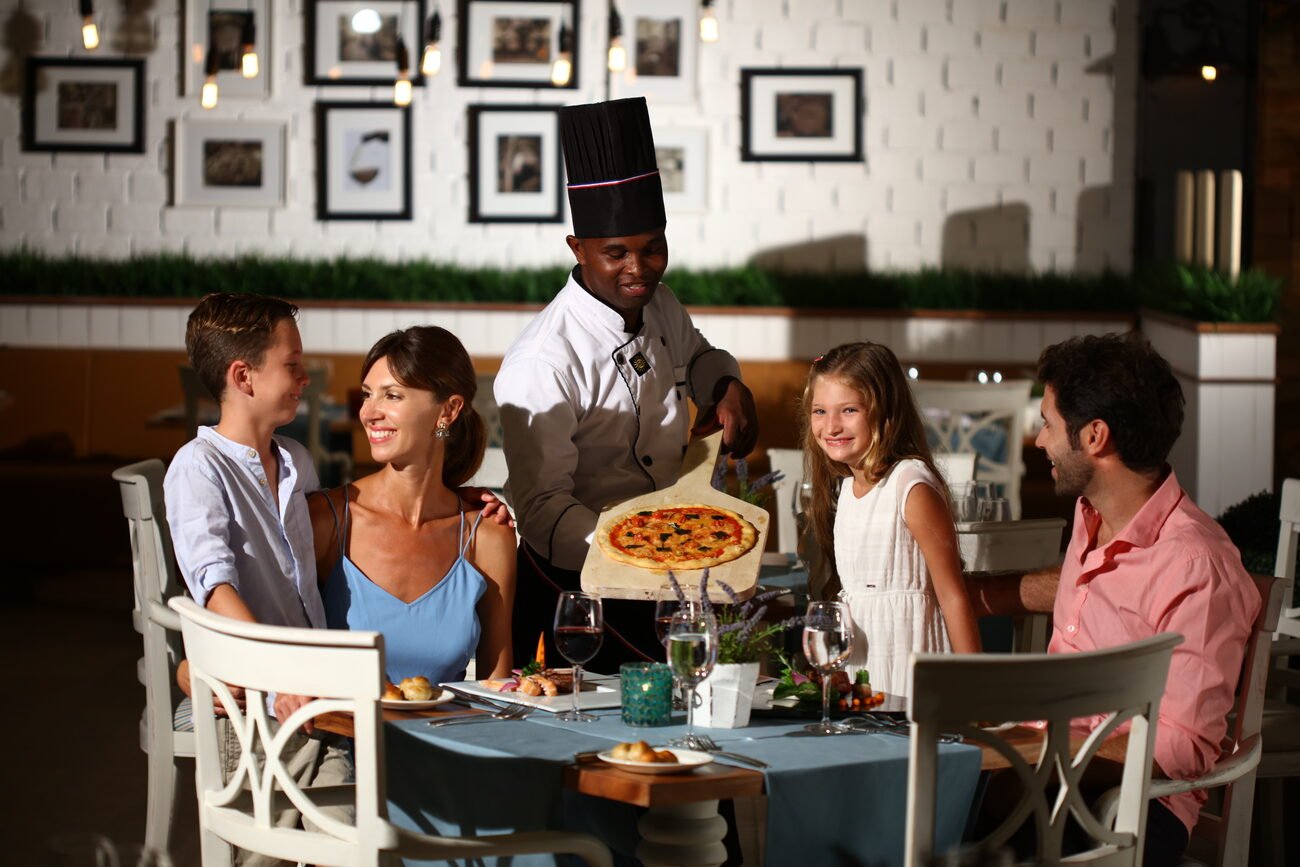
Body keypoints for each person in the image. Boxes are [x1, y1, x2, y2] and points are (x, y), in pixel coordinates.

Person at [968, 333, 1260, 866]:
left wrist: (1049, 748)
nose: (1039, 441)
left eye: (1050, 424)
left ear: (1095, 437)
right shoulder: (1093, 515)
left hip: (1128, 807)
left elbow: (1181, 749)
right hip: (1045, 769)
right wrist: (981, 596)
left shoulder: (1197, 566)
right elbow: (1090, 589)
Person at [494, 96, 758, 673]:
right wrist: (640, 546)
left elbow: (701, 356)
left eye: (652, 248)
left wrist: (727, 386)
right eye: (616, 253)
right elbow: (540, 509)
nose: (639, 269)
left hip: (668, 576)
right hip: (580, 592)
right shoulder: (542, 359)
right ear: (577, 248)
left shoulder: (660, 304)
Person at [164, 293, 350, 866]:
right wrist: (279, 674)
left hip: (314, 700)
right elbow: (215, 589)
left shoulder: (296, 460)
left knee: (349, 842)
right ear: (243, 376)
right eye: (292, 364)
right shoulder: (198, 467)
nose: (305, 376)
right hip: (255, 709)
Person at [309, 326, 516, 683]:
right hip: (343, 735)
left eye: (392, 396)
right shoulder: (328, 520)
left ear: (448, 410)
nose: (368, 412)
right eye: (367, 395)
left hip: (447, 735)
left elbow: (497, 687)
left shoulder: (486, 536)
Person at [800, 342, 981, 697]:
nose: (831, 426)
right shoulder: (848, 488)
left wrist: (975, 692)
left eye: (849, 410)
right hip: (864, 670)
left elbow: (953, 595)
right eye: (820, 411)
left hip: (910, 665)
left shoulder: (910, 486)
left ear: (885, 411)